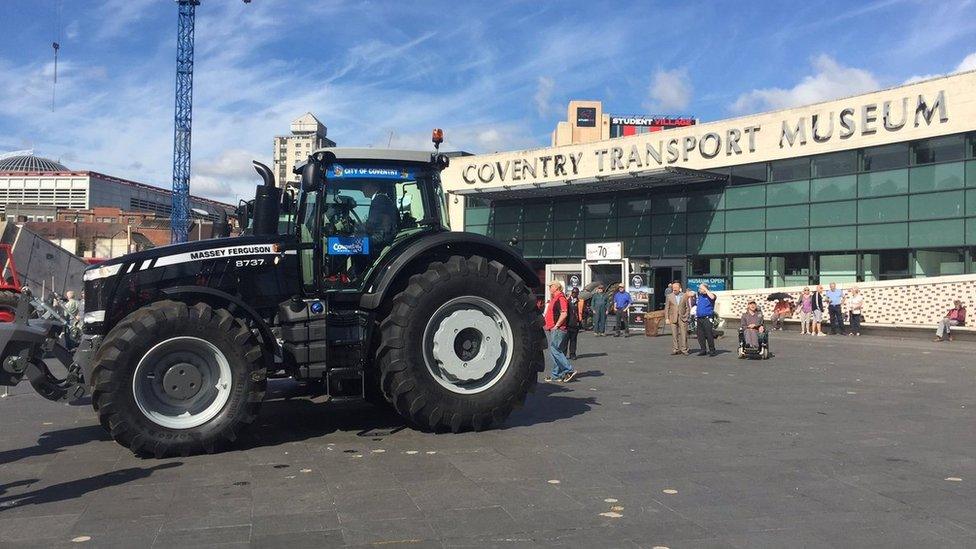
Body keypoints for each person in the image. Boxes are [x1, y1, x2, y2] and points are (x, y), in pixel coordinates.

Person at [543, 280, 576, 382]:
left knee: (555, 350)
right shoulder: (556, 298)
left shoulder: (560, 298)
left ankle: (568, 370)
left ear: (556, 287)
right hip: (555, 328)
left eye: (550, 286)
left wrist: (556, 325)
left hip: (558, 329)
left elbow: (564, 313)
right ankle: (556, 375)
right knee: (557, 351)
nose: (549, 288)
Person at [361, 180, 399, 247]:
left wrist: (360, 227)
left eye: (364, 186)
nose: (362, 189)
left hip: (382, 239)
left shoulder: (379, 199)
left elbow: (374, 222)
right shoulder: (382, 199)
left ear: (374, 187)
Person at [664, 281, 690, 355]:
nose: (674, 289)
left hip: (682, 317)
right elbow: (667, 308)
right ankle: (676, 349)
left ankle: (684, 349)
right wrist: (666, 318)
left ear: (679, 288)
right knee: (674, 335)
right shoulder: (669, 296)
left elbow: (687, 307)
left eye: (676, 288)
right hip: (673, 318)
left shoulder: (684, 295)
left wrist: (686, 315)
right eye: (673, 288)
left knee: (684, 334)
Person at [695, 283, 718, 356]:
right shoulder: (700, 295)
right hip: (699, 318)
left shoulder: (711, 295)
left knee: (709, 334)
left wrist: (705, 289)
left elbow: (712, 297)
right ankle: (703, 350)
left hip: (707, 318)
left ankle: (712, 350)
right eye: (699, 288)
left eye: (701, 288)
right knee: (700, 335)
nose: (699, 290)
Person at [560, 287, 583, 359]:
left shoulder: (580, 302)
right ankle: (563, 354)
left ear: (578, 294)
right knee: (565, 340)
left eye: (576, 293)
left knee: (573, 340)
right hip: (567, 323)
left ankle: (572, 354)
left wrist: (581, 320)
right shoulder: (567, 301)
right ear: (571, 293)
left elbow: (582, 311)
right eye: (573, 293)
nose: (574, 294)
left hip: (575, 324)